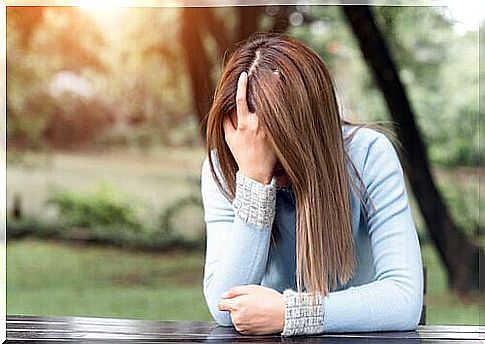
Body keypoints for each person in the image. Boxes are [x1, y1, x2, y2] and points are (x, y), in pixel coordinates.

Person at [199, 32, 423, 337]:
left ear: (309, 131)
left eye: (273, 144)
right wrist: (253, 180)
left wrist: (291, 313)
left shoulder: (369, 155)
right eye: (252, 143)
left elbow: (403, 300)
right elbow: (224, 306)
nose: (265, 159)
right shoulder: (225, 166)